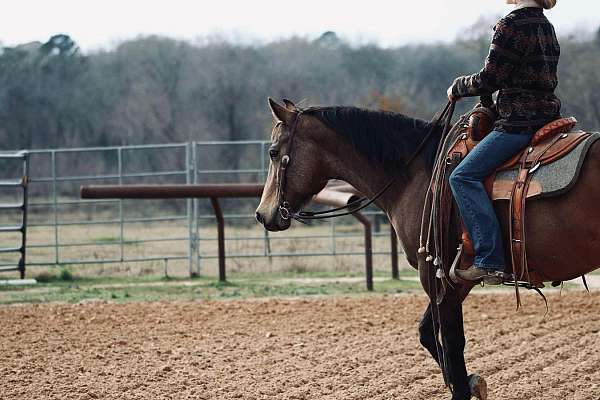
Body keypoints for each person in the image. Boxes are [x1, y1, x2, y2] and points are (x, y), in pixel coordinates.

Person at [447, 0, 561, 284]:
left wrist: (458, 87)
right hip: (548, 117)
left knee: (462, 176)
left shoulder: (510, 24)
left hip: (518, 122)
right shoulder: (546, 25)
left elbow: (489, 79)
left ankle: (489, 260)